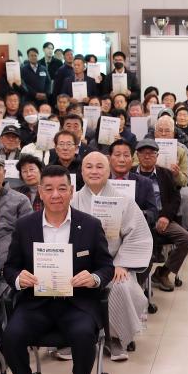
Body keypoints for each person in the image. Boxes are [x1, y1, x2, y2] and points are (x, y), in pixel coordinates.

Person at [1, 164, 115, 374]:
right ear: (40, 192)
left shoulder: (89, 225)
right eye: (49, 189)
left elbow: (106, 266)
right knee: (11, 337)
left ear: (71, 191)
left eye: (62, 188)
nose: (56, 195)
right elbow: (9, 267)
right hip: (36, 302)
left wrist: (94, 277)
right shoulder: (24, 226)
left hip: (77, 302)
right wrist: (19, 278)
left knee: (84, 335)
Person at [70, 152, 151, 360]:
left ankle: (115, 338)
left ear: (109, 171)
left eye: (100, 167)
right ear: (81, 171)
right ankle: (68, 337)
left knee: (121, 286)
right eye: (89, 167)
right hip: (79, 264)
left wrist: (122, 264)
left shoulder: (125, 201)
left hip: (114, 264)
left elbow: (137, 235)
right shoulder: (72, 201)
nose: (94, 171)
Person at [133, 139, 188, 291]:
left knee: (187, 239)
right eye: (143, 153)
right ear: (137, 155)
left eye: (151, 153)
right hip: (138, 222)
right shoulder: (130, 175)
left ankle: (162, 272)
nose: (147, 156)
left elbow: (175, 198)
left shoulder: (165, 174)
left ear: (157, 156)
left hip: (162, 219)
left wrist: (166, 216)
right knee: (144, 247)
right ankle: (138, 286)